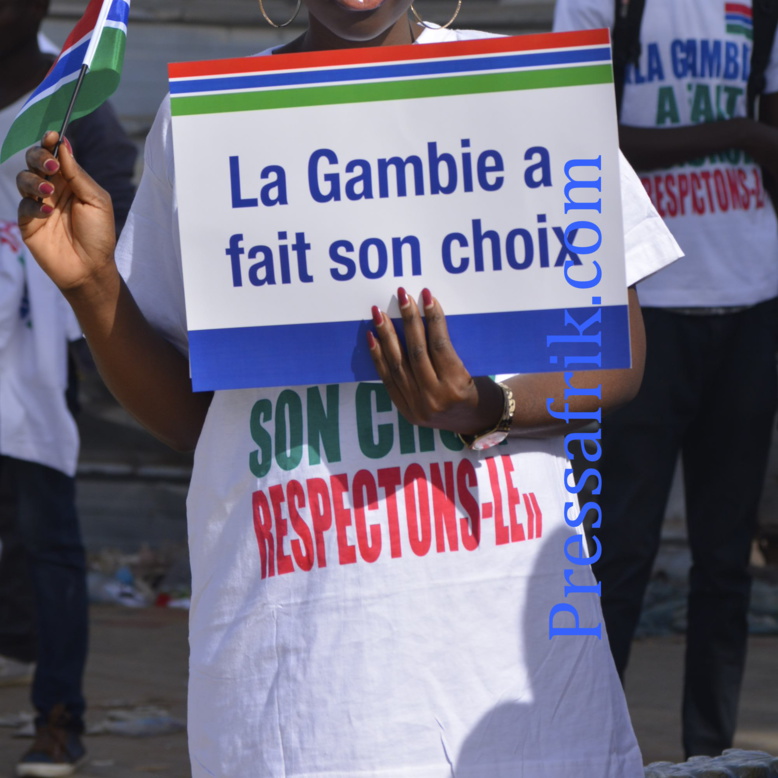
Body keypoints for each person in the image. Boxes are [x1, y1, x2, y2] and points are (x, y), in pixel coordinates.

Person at [16, 0, 681, 775]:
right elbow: (196, 421)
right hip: (294, 687)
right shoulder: (207, 125)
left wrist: (485, 406)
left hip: (502, 671)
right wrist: (94, 288)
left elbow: (618, 354)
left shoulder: (519, 92)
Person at [553, 0, 778, 760]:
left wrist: (757, 139)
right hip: (648, 306)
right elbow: (582, 138)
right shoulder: (603, 2)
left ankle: (711, 752)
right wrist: (740, 135)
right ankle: (595, 752)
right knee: (618, 552)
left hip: (753, 295)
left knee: (726, 563)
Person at [0, 0, 137, 774]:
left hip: (33, 358)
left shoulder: (73, 99)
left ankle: (59, 717)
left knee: (46, 532)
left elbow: (113, 233)